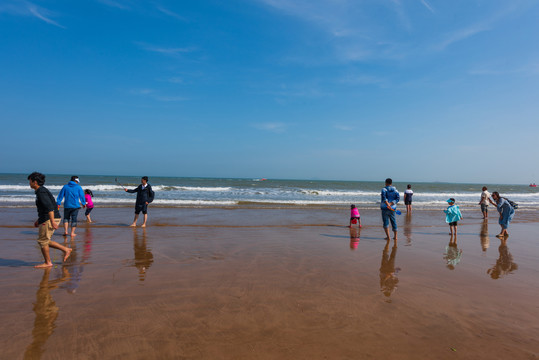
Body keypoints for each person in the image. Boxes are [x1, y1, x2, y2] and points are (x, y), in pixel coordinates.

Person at [28, 172, 72, 268]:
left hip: (50, 218)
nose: (29, 183)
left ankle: (48, 262)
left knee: (43, 241)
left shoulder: (41, 192)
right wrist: (39, 220)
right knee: (45, 240)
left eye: (30, 181)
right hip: (47, 218)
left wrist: (52, 221)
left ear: (35, 182)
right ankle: (66, 250)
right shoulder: (41, 191)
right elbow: (45, 208)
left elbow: (49, 207)